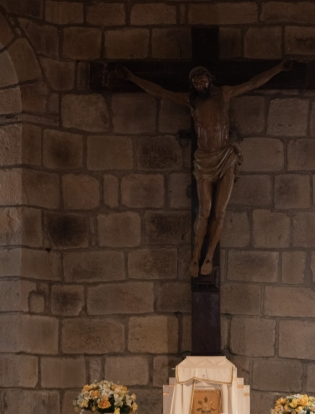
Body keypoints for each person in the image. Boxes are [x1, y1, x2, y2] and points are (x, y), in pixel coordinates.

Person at [116, 61, 291, 277]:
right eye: (195, 82)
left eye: (202, 79)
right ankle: (195, 255)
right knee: (204, 211)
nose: (200, 84)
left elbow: (253, 83)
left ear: (210, 78)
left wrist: (279, 68)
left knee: (219, 211)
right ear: (193, 85)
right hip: (204, 160)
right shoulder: (190, 101)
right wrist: (133, 78)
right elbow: (159, 91)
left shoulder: (225, 94)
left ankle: (209, 255)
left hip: (226, 157)